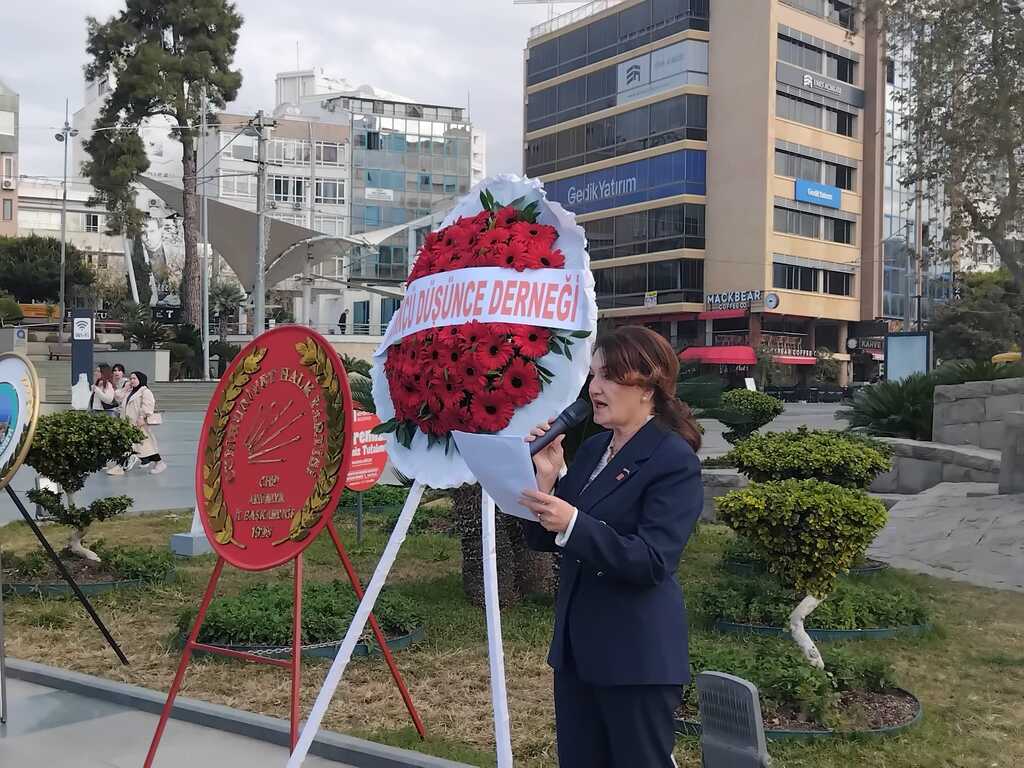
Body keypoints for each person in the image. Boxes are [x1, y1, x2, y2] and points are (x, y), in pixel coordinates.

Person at [518, 326, 703, 768]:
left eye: (609, 377)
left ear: (648, 387)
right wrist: (548, 481)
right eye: (594, 375)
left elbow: (653, 561)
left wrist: (574, 522)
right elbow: (548, 537)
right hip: (578, 651)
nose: (594, 389)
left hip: (635, 658)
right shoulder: (596, 448)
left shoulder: (672, 460)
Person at [122, 371, 166, 475]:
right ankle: (125, 463)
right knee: (137, 446)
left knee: (146, 446)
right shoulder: (129, 391)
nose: (131, 381)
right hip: (128, 423)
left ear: (140, 380)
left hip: (139, 423)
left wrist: (142, 416)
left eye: (134, 379)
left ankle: (159, 463)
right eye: (130, 378)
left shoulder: (145, 391)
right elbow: (117, 397)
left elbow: (148, 405)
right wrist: (124, 389)